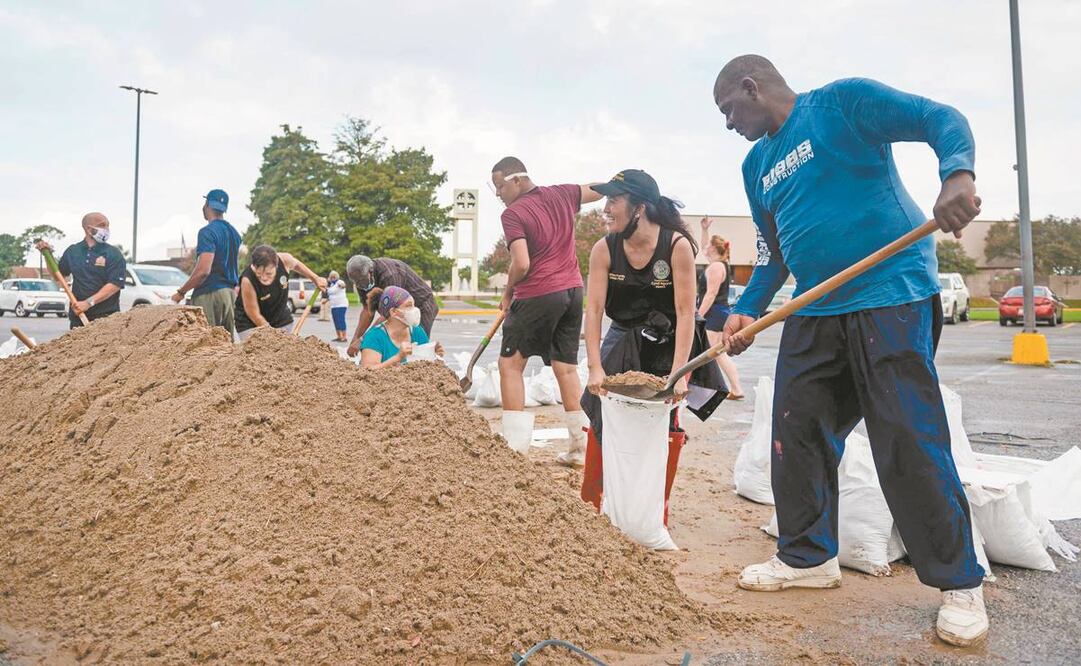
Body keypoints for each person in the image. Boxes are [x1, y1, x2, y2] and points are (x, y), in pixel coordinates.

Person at [713, 55, 986, 646]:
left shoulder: (841, 104)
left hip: (890, 292)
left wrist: (957, 175)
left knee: (906, 438)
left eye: (728, 110)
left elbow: (940, 118)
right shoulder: (755, 163)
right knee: (796, 432)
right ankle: (808, 559)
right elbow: (772, 251)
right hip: (814, 307)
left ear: (750, 87)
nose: (728, 124)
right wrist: (749, 306)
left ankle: (960, 581)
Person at [582, 170, 726, 422]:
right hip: (624, 332)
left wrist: (679, 373)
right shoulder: (604, 249)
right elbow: (593, 310)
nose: (606, 209)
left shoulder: (675, 246)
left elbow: (684, 313)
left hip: (669, 339)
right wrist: (595, 367)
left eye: (613, 201)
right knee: (602, 407)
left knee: (659, 415)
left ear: (639, 208)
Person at [490, 156, 604, 465]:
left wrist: (508, 289)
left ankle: (514, 450)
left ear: (517, 180)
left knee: (510, 365)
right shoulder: (562, 193)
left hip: (538, 292)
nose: (498, 194)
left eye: (499, 186)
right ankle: (581, 448)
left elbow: (523, 263)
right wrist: (621, 182)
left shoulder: (514, 214)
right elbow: (598, 190)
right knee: (564, 367)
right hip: (571, 291)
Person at [172, 189, 243, 340]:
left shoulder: (207, 232)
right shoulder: (234, 233)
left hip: (210, 295)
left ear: (207, 205)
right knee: (225, 345)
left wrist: (181, 292)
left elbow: (203, 270)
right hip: (229, 295)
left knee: (206, 345)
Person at [34, 212, 126, 329]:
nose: (106, 229)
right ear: (88, 229)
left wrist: (88, 303)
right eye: (102, 225)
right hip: (78, 318)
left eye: (107, 225)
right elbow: (58, 276)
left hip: (106, 318)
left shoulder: (113, 253)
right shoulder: (73, 251)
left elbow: (115, 284)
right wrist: (47, 256)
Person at [345, 255, 437, 355]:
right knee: (392, 342)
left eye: (362, 281)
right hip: (398, 310)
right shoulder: (361, 278)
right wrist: (355, 340)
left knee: (416, 346)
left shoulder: (390, 275)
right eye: (356, 283)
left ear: (370, 272)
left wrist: (363, 340)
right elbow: (368, 311)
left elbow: (390, 314)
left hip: (422, 305)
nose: (360, 286)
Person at [234, 245, 327, 341]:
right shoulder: (247, 280)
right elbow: (253, 313)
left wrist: (315, 278)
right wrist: (273, 335)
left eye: (268, 273)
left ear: (276, 266)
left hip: (280, 318)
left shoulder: (285, 260)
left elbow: (297, 265)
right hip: (250, 324)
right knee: (259, 352)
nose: (264, 278)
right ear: (254, 267)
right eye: (259, 274)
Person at [697, 217, 744, 400]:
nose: (705, 246)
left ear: (714, 249)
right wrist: (704, 230)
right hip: (718, 313)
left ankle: (735, 389)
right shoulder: (718, 263)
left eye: (708, 244)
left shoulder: (716, 267)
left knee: (716, 353)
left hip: (715, 314)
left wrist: (698, 315)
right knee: (715, 353)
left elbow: (710, 294)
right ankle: (734, 388)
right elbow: (703, 247)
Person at [360, 286, 444, 369]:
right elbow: (368, 371)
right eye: (408, 306)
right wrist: (398, 357)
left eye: (413, 305)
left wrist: (434, 355)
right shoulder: (374, 336)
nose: (414, 310)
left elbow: (425, 367)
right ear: (393, 312)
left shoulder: (417, 331)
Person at [326, 270, 350, 342]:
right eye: (331, 277)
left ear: (337, 277)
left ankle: (344, 337)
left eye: (334, 276)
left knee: (341, 320)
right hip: (334, 305)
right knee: (336, 320)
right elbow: (330, 293)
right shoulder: (331, 285)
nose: (333, 278)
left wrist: (341, 285)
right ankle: (339, 336)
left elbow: (343, 285)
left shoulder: (339, 282)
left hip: (341, 305)